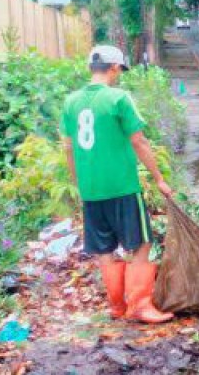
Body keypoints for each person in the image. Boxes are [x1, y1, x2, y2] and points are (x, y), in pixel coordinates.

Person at [61, 45, 174, 324]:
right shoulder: (118, 98)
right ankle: (140, 305)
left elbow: (67, 147)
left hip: (91, 190)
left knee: (105, 250)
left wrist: (79, 184)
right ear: (113, 68)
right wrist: (159, 178)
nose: (119, 75)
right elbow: (139, 141)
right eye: (119, 70)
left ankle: (117, 307)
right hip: (122, 187)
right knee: (142, 245)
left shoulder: (71, 102)